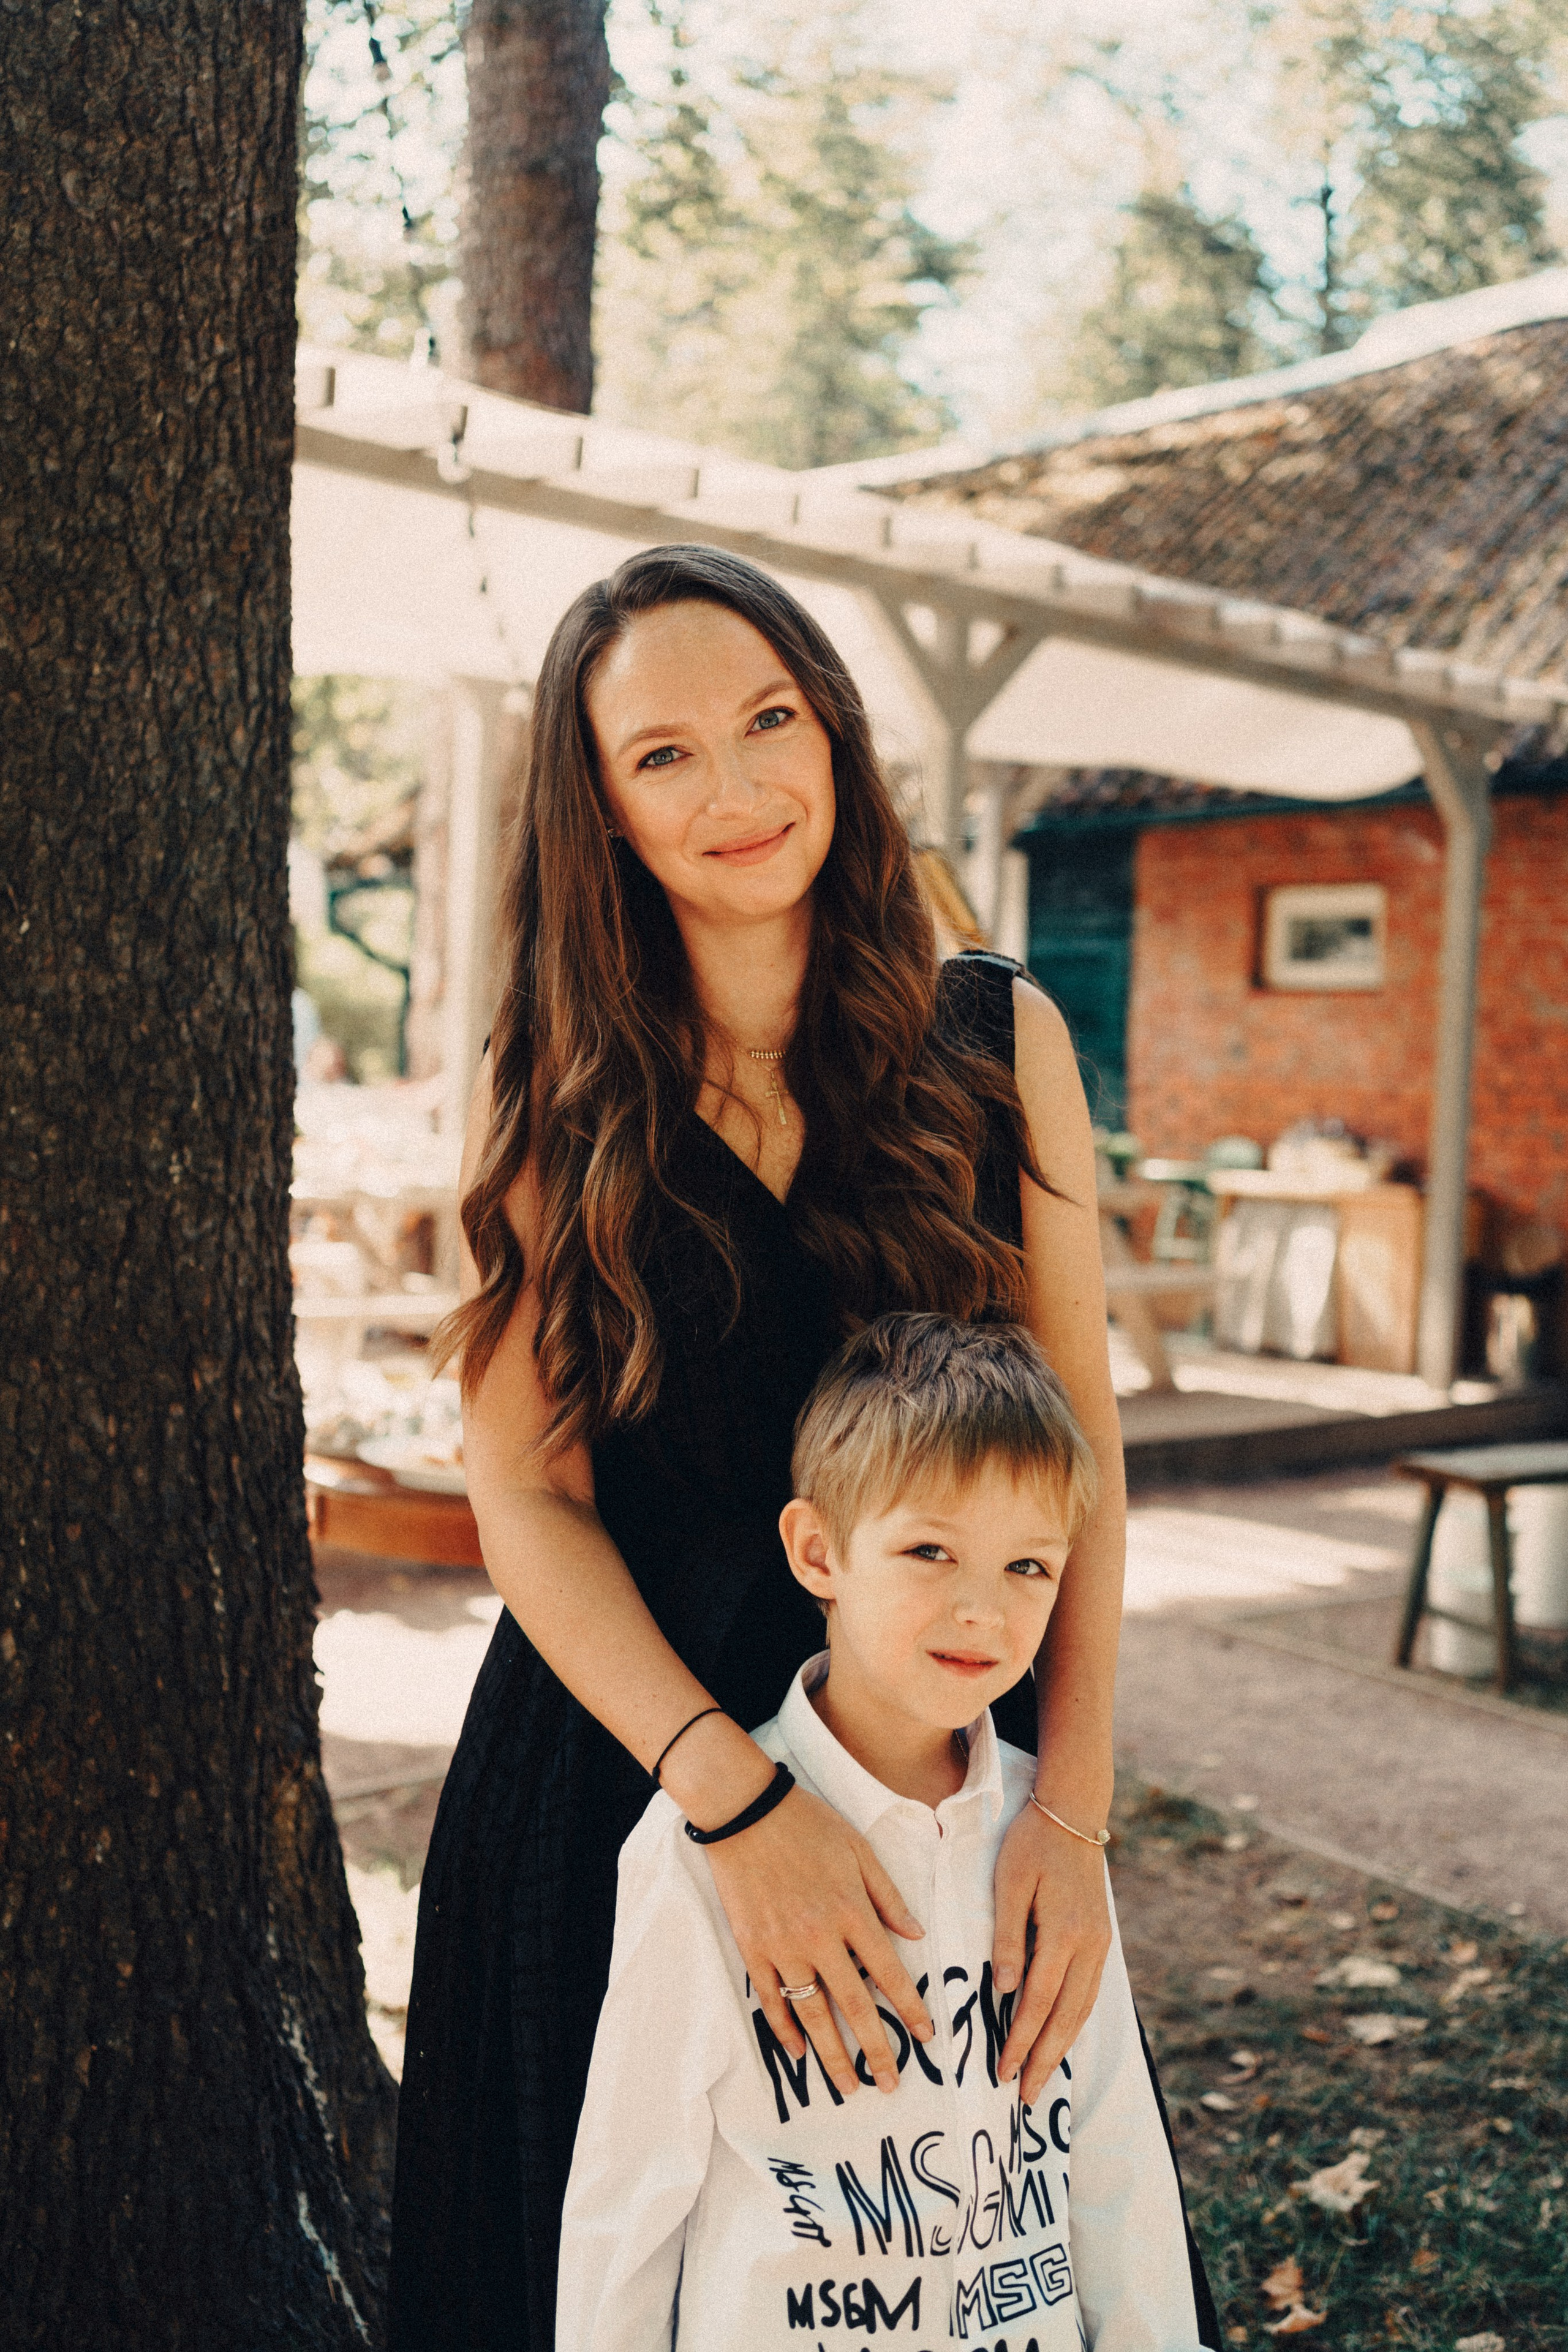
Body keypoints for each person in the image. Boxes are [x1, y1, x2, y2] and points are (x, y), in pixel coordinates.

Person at [390, 545, 1194, 2349]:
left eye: (770, 721)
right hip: (621, 1784)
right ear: (597, 804)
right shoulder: (556, 1078)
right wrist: (725, 1793)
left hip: (925, 1771)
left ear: (834, 729)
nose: (740, 788)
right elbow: (522, 1485)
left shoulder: (1002, 1039)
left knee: (937, 2263)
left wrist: (1068, 1810)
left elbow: (1082, 1466)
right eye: (662, 755)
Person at [557, 1315, 1215, 2352]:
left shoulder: (1051, 1842)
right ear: (819, 1552)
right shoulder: (695, 1852)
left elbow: (1115, 2156)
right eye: (929, 1551)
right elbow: (630, 2200)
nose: (982, 1612)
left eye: (1028, 1568)